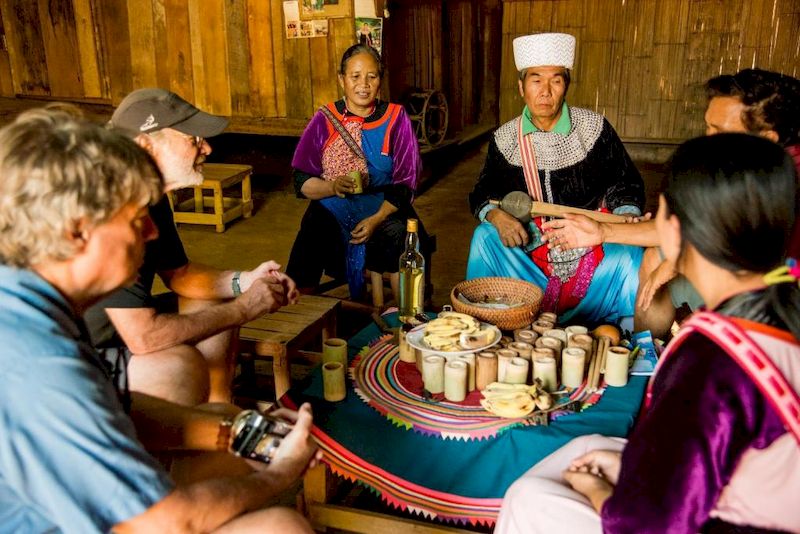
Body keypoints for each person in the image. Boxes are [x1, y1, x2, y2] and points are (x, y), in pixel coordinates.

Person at [0, 108, 319, 533]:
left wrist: (246, 429)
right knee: (280, 526)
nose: (151, 233)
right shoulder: (38, 363)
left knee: (227, 425)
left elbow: (118, 406)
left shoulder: (28, 303)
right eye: (136, 220)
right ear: (77, 232)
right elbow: (170, 522)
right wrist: (279, 474)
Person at [495, 133, 800, 533]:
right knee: (588, 448)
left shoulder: (709, 359)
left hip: (735, 523)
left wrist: (598, 491)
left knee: (530, 499)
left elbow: (648, 524)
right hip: (756, 494)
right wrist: (628, 468)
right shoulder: (780, 308)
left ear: (673, 229)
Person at [540, 68, 800, 336]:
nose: (707, 139)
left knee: (660, 259)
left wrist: (678, 259)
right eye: (707, 126)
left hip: (778, 287)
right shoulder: (746, 169)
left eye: (720, 131)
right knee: (655, 256)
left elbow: (734, 243)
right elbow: (689, 224)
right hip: (735, 263)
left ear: (768, 139)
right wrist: (602, 231)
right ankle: (646, 350)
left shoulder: (783, 182)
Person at [83, 88, 299, 406]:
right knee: (176, 370)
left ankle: (219, 412)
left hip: (118, 331)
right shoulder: (108, 207)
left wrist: (244, 281)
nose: (207, 148)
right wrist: (242, 308)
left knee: (213, 301)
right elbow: (143, 337)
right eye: (193, 140)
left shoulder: (149, 194)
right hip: (77, 353)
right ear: (145, 146)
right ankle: (178, 439)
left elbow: (179, 273)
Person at [466, 32, 645, 325]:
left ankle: (622, 338)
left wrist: (624, 215)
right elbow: (482, 192)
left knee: (630, 249)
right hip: (529, 259)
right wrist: (497, 216)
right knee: (484, 238)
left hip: (592, 253)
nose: (545, 91)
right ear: (521, 86)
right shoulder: (505, 139)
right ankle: (485, 325)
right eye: (536, 80)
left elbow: (625, 183)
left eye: (556, 80)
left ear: (567, 86)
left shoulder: (594, 130)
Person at [286, 44, 428, 303]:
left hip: (385, 204)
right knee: (312, 232)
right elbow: (301, 179)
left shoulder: (397, 118)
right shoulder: (325, 119)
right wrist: (333, 187)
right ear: (342, 80)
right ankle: (297, 313)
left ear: (380, 81)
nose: (364, 84)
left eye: (371, 76)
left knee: (406, 236)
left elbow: (406, 181)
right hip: (334, 204)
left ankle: (408, 315)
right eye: (355, 76)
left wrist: (376, 219)